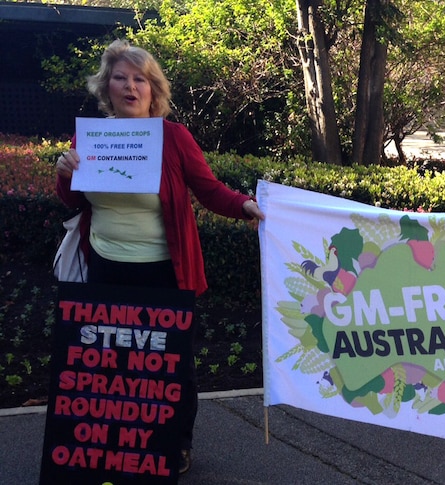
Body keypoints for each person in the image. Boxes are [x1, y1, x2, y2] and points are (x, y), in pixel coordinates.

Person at [55, 39, 265, 474]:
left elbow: (208, 189)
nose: (130, 86)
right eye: (120, 78)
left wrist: (243, 204)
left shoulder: (174, 138)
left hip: (166, 271)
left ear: (153, 90)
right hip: (106, 267)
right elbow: (72, 201)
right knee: (108, 360)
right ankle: (118, 442)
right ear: (106, 87)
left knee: (171, 366)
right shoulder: (89, 137)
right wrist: (63, 175)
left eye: (140, 79)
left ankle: (176, 444)